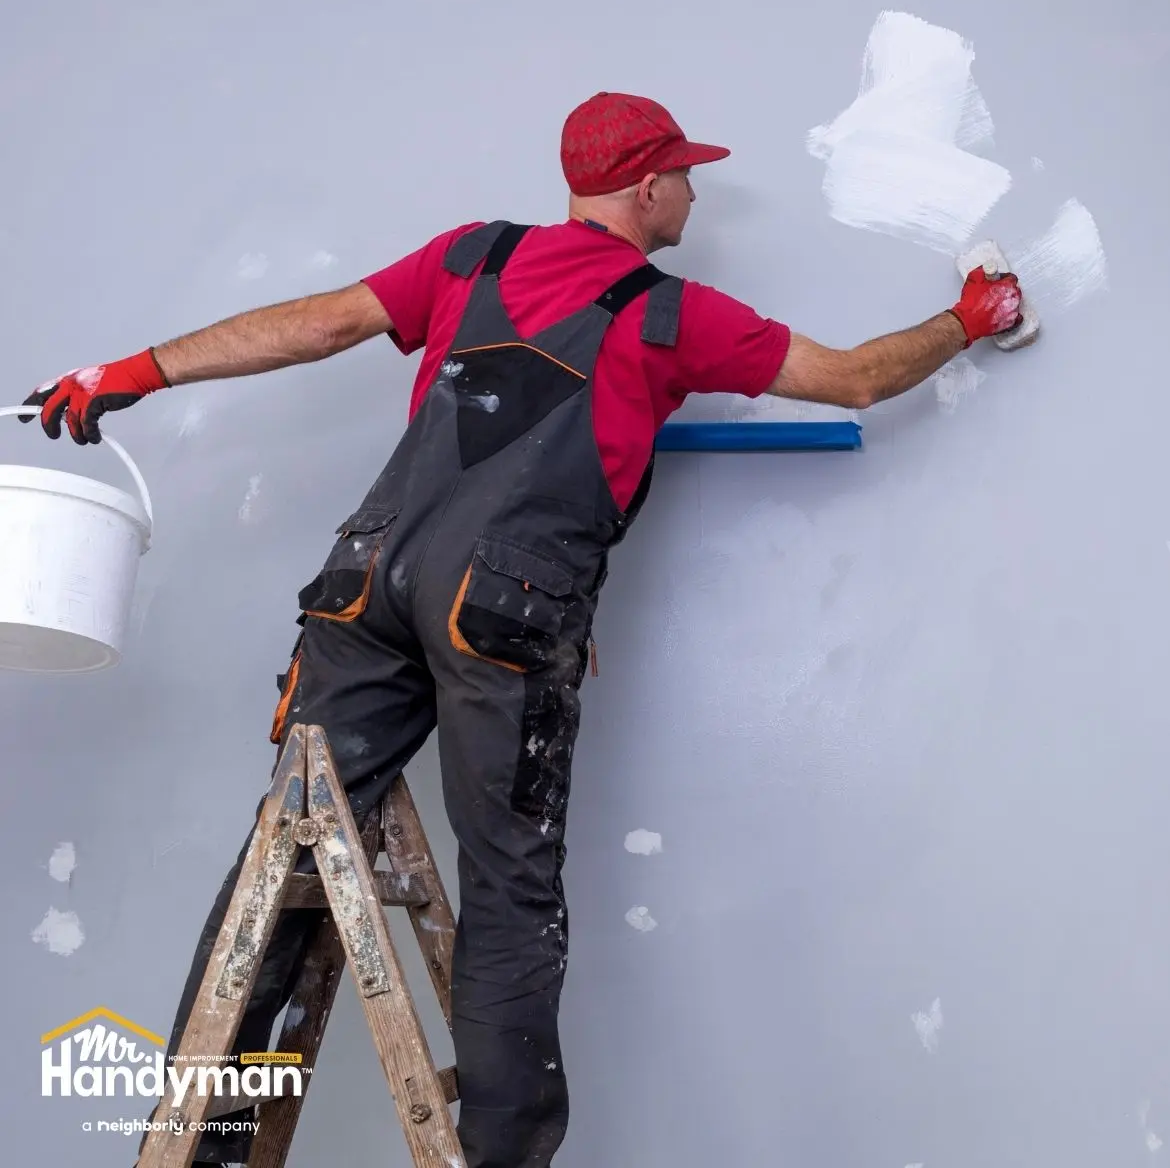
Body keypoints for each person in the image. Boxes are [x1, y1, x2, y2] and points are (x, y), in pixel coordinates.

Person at [20, 91, 1024, 1167]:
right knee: (508, 888)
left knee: (286, 869)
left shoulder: (471, 257)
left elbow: (314, 323)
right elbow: (858, 379)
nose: (693, 190)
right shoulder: (672, 315)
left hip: (363, 592)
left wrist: (128, 372)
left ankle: (202, 1145)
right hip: (501, 612)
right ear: (645, 188)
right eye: (684, 174)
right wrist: (968, 319)